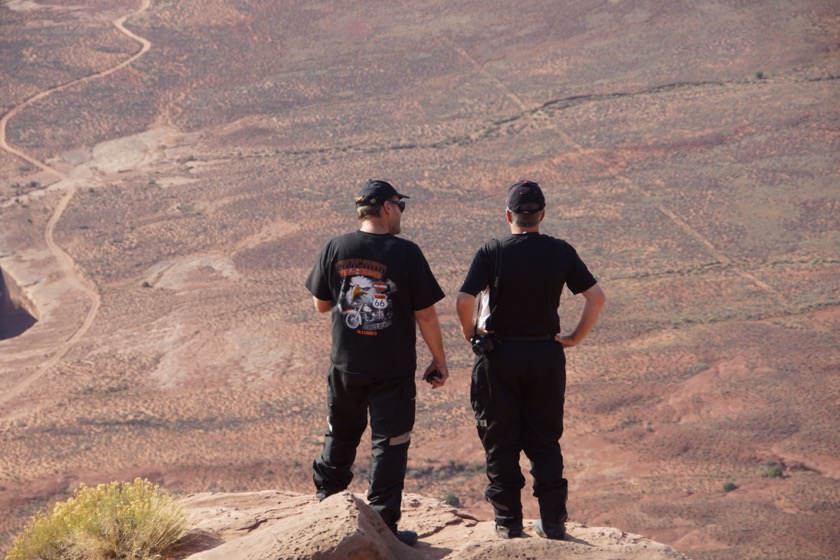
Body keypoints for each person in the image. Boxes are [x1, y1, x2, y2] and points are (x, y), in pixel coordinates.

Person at [455, 180, 606, 540]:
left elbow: (463, 300)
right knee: (544, 440)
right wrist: (573, 338)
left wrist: (471, 333)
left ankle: (508, 524)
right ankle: (553, 523)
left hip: (499, 356)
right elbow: (596, 297)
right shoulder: (561, 251)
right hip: (545, 355)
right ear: (542, 215)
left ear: (508, 215)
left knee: (499, 438)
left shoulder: (492, 251)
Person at [305, 179, 449, 546]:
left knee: (340, 433)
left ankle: (327, 510)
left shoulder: (335, 247)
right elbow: (426, 315)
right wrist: (439, 359)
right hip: (392, 369)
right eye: (400, 205)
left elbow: (321, 305)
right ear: (387, 207)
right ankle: (383, 528)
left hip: (346, 365)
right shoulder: (406, 253)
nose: (401, 212)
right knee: (390, 444)